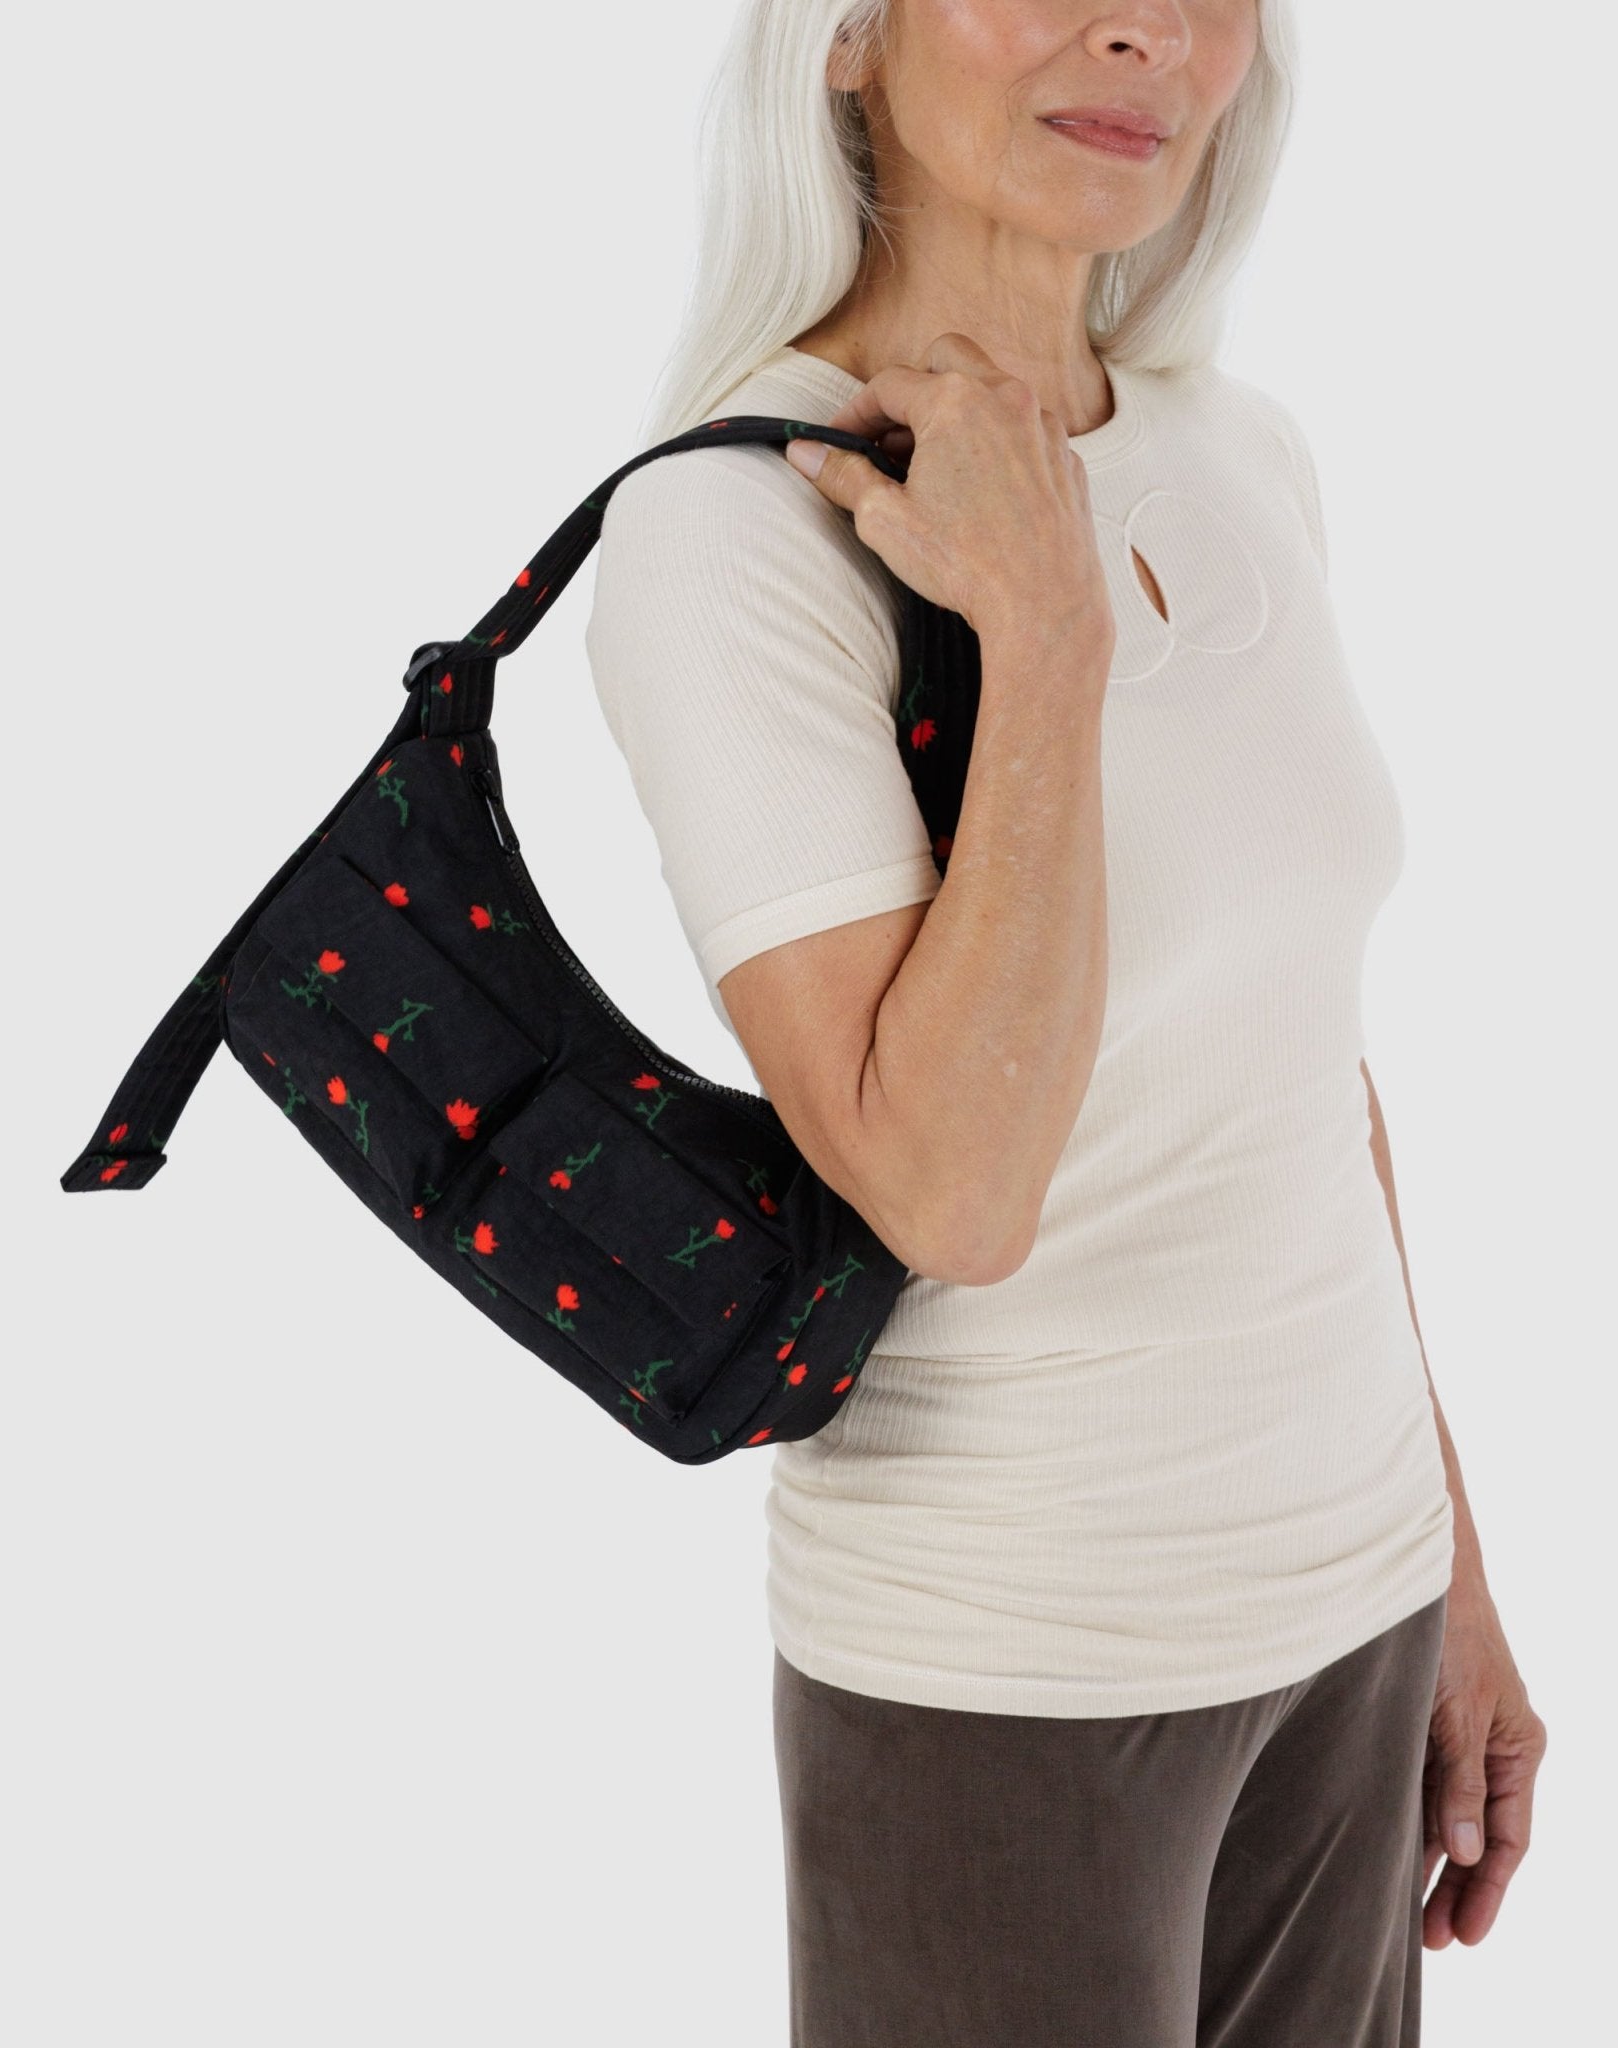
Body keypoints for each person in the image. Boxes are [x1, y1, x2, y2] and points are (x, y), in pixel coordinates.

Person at [582, 3, 1548, 2042]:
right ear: (843, 41)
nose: (1146, 25)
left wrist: (1450, 1565)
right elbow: (951, 1185)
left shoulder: (1235, 447)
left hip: (1353, 1601)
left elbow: (1299, 1076)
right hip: (1014, 1661)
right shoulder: (734, 528)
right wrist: (1044, 632)